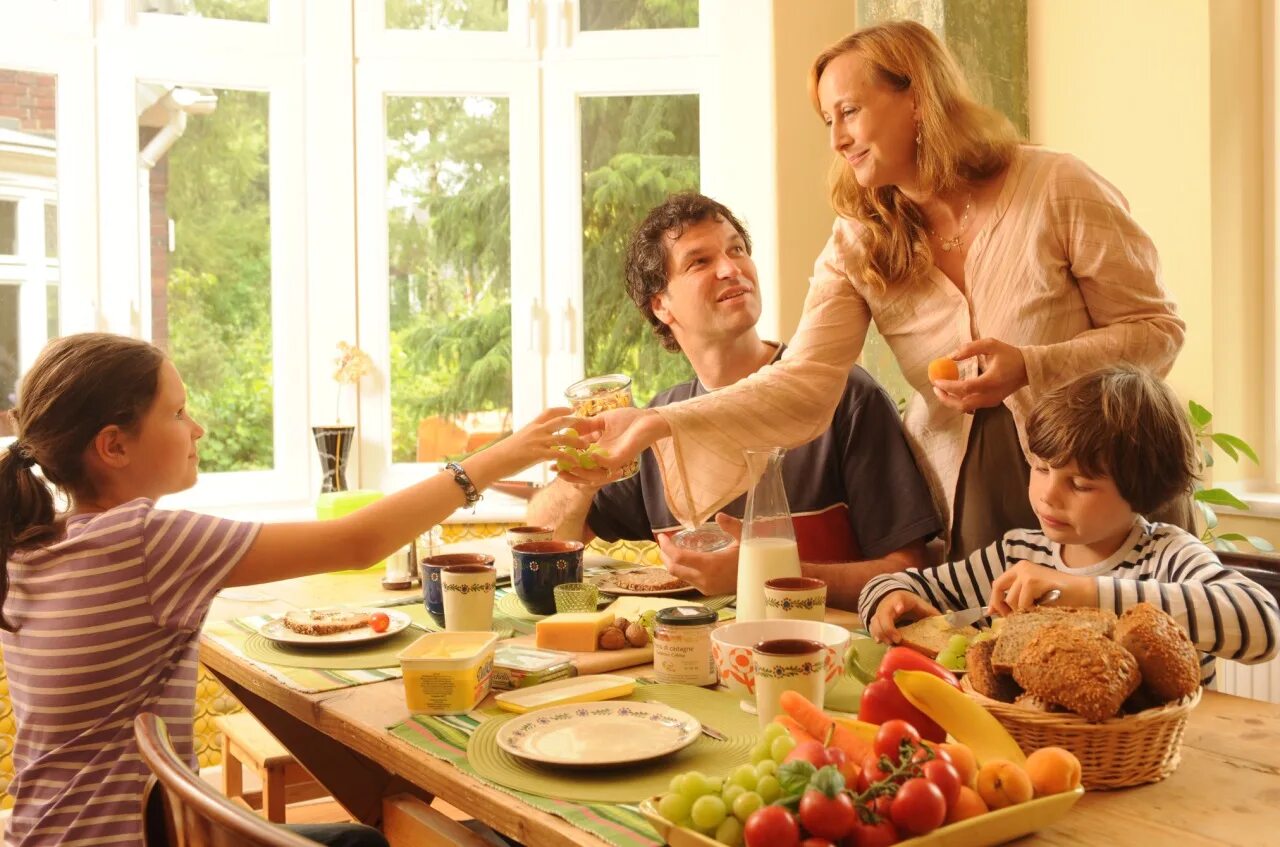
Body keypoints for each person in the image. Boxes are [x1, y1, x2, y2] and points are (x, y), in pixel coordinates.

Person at [571, 20, 1187, 561]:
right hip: (975, 504)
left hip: (1113, 492)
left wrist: (1032, 365)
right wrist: (657, 422)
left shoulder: (1056, 185)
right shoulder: (857, 241)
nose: (837, 138)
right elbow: (802, 381)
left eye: (849, 111)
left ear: (916, 97)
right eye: (828, 121)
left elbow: (1158, 332)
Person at [0, 333, 581, 847]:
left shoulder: (34, 542)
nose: (196, 428)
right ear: (114, 447)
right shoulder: (142, 541)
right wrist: (499, 457)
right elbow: (359, 542)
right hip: (128, 835)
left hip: (50, 827)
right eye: (177, 414)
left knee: (357, 840)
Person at [530, 193, 941, 607]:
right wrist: (578, 475)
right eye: (700, 262)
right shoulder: (656, 425)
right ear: (661, 305)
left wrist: (768, 574)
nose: (731, 269)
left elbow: (909, 572)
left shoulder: (843, 395)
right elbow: (545, 541)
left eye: (737, 250)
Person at [858, 365, 1280, 687]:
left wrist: (1083, 592)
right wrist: (889, 597)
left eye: (1079, 484)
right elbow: (899, 585)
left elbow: (1262, 623)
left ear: (1142, 492)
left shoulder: (1167, 555)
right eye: (1040, 468)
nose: (1047, 495)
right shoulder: (1018, 554)